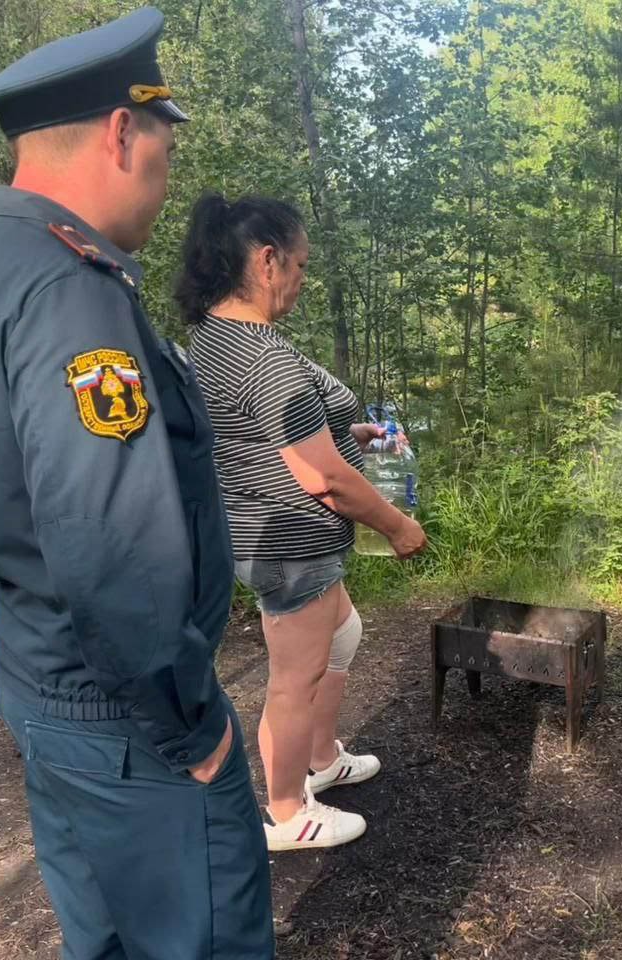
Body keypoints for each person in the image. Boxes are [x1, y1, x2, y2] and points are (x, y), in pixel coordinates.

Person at [0, 9, 273, 958]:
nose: (166, 175)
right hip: (130, 721)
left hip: (44, 686)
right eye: (165, 146)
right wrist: (192, 724)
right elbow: (112, 543)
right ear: (123, 131)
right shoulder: (70, 291)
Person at [176, 193, 427, 852]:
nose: (303, 278)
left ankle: (322, 758)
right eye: (301, 264)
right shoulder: (262, 358)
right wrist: (397, 526)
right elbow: (325, 479)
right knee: (294, 678)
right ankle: (288, 812)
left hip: (268, 530)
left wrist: (353, 431)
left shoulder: (219, 339)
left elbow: (271, 430)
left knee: (343, 633)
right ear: (267, 261)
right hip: (290, 541)